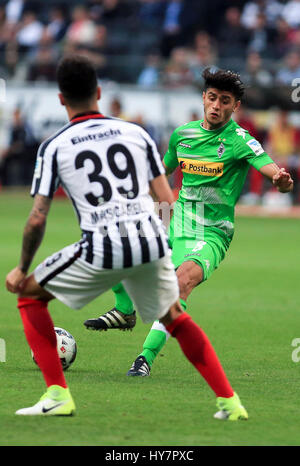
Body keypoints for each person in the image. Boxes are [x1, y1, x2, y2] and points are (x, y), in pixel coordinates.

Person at [5, 56, 248, 420]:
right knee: (175, 317)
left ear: (60, 99)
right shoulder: (135, 134)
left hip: (104, 243)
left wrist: (22, 267)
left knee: (29, 295)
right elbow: (167, 199)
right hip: (150, 239)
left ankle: (57, 394)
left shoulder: (54, 146)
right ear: (99, 93)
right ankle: (230, 402)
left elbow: (38, 216)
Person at [84, 68, 293, 381]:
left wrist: (281, 180)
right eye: (212, 97)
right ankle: (125, 310)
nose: (217, 105)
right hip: (174, 218)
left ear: (235, 106)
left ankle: (144, 358)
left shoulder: (240, 141)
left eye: (225, 101)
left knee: (179, 284)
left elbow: (273, 172)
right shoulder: (183, 135)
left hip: (211, 232)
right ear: (203, 98)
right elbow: (158, 173)